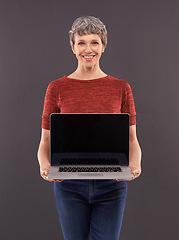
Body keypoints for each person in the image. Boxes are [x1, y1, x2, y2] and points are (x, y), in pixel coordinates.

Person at [37, 15, 142, 240]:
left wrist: (134, 164)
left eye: (94, 42)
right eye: (81, 42)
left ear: (103, 46)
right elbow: (46, 139)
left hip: (112, 185)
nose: (88, 49)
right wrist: (45, 165)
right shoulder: (56, 88)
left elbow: (131, 138)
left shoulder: (121, 87)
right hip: (69, 186)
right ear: (73, 47)